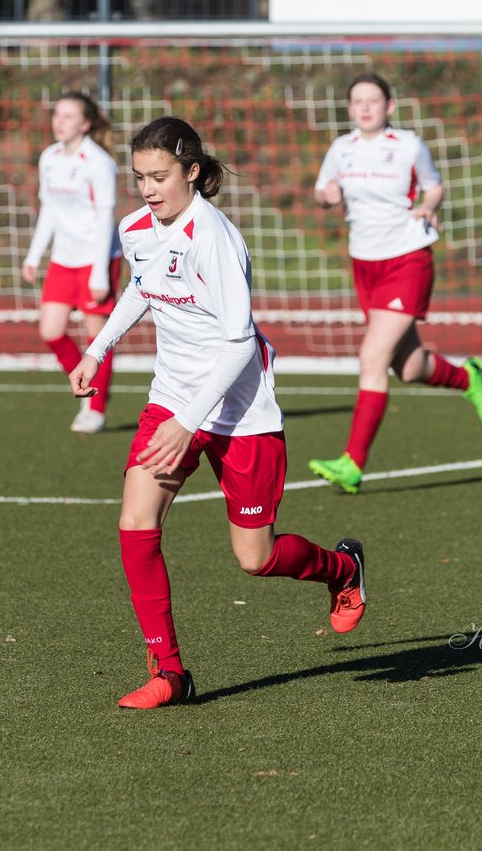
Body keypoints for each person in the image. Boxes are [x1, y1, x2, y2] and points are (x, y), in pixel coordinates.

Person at [69, 116, 367, 710]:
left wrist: (191, 424)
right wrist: (98, 349)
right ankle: (170, 672)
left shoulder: (217, 241)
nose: (149, 189)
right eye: (140, 178)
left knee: (255, 558)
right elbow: (142, 286)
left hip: (240, 410)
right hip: (173, 398)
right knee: (135, 523)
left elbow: (238, 344)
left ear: (193, 171)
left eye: (160, 177)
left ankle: (341, 569)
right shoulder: (137, 227)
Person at [307, 72, 482, 495]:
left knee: (372, 356)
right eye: (357, 101)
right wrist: (327, 195)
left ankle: (352, 462)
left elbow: (434, 188)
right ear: (350, 108)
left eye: (373, 100)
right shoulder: (341, 149)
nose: (366, 107)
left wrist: (429, 207)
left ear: (389, 107)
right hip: (365, 263)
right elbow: (321, 190)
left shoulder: (408, 145)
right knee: (407, 366)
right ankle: (467, 377)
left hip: (407, 258)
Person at [22, 92, 122, 434]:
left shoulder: (98, 162)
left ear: (85, 123)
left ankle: (94, 407)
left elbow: (105, 216)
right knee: (50, 330)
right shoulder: (49, 158)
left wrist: (99, 273)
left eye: (67, 116)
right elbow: (49, 209)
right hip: (63, 260)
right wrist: (35, 254)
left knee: (98, 338)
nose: (58, 121)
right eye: (56, 115)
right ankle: (82, 380)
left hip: (97, 259)